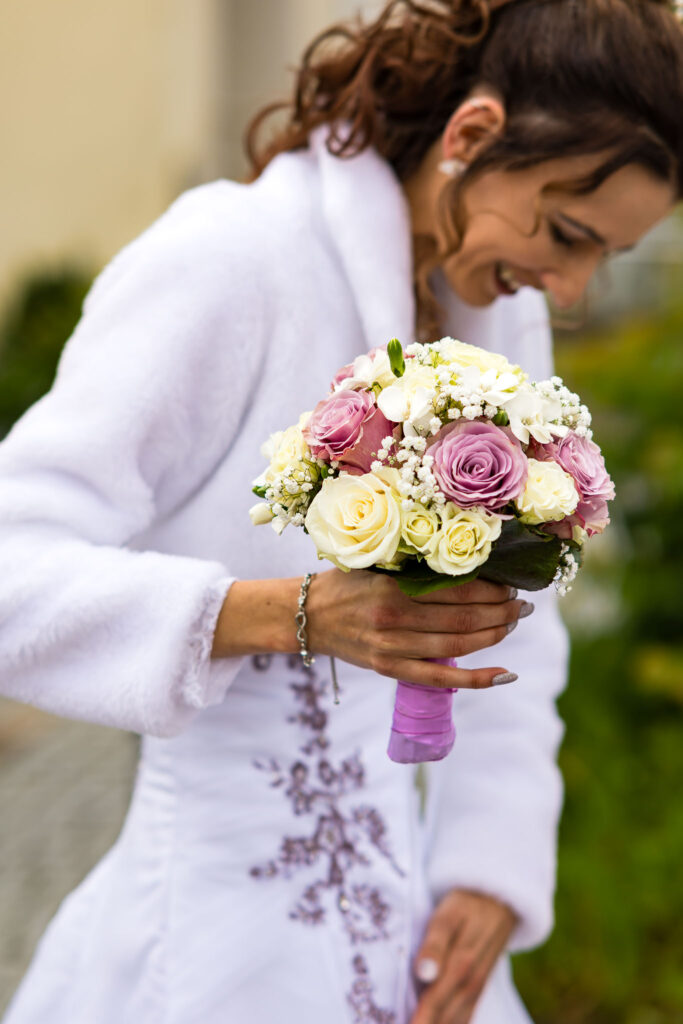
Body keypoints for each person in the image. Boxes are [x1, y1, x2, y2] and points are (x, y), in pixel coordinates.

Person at [1, 0, 681, 1021]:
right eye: (565, 232)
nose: (571, 288)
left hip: (414, 939)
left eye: (603, 257)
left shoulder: (499, 314)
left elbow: (518, 642)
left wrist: (487, 867)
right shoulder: (228, 259)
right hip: (210, 950)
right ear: (470, 136)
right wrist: (290, 612)